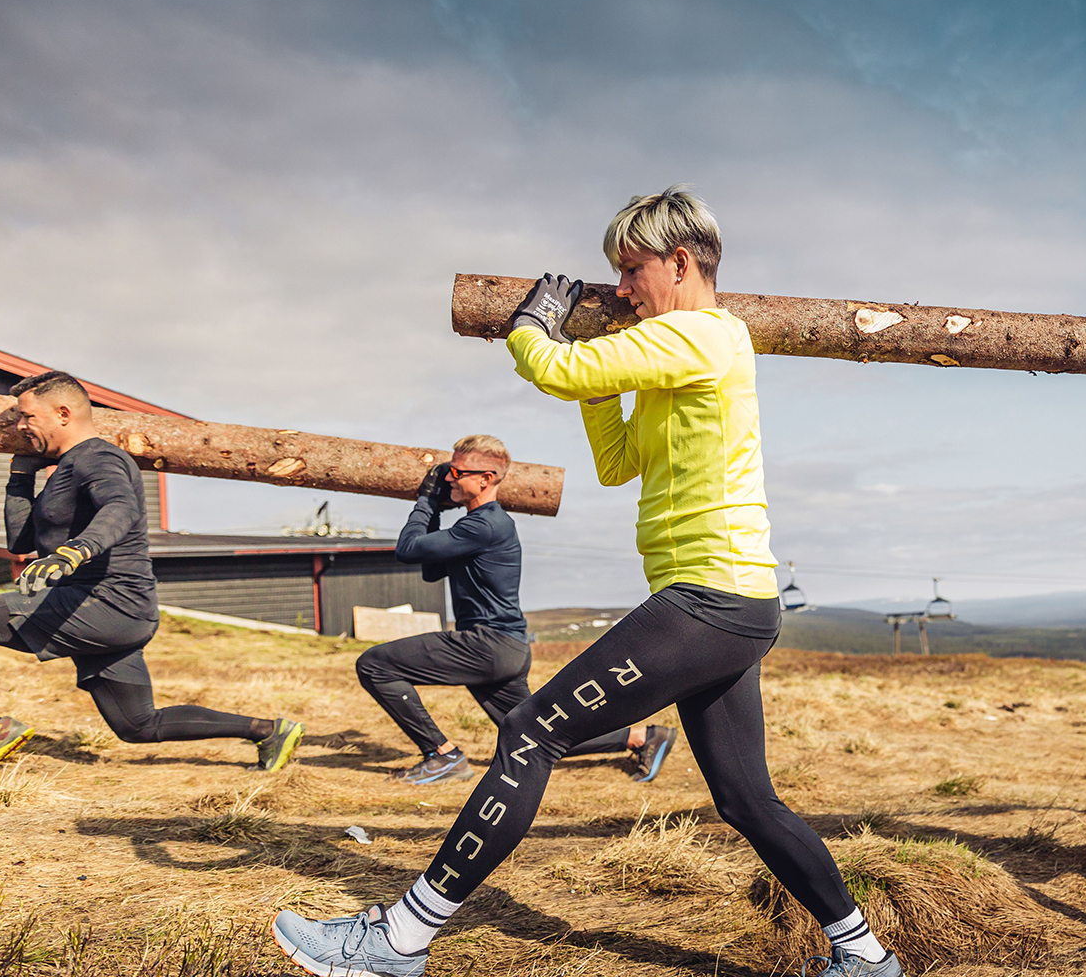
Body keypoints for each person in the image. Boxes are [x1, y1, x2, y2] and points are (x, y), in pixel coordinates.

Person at [273, 187, 903, 977]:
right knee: (746, 800)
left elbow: (557, 370)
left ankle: (398, 939)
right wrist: (600, 378)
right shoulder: (686, 353)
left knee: (529, 732)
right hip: (732, 602)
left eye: (633, 269)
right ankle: (866, 957)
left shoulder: (702, 334)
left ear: (681, 263)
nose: (624, 289)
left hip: (709, 600)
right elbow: (616, 463)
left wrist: (533, 324)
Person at [0, 372, 303, 770]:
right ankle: (269, 730)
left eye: (28, 416)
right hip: (121, 613)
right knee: (137, 724)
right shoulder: (67, 467)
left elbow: (120, 507)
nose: (20, 425)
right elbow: (21, 542)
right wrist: (20, 476)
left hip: (103, 603)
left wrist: (75, 552)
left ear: (64, 413)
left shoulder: (98, 459)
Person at [354, 434, 676, 785]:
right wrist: (438, 508)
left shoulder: (486, 525)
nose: (447, 477)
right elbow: (430, 568)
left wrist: (427, 500)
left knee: (375, 665)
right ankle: (643, 737)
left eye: (456, 472)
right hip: (506, 648)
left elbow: (407, 549)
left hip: (486, 645)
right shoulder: (479, 526)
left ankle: (442, 755)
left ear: (485, 479)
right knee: (535, 733)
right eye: (448, 470)